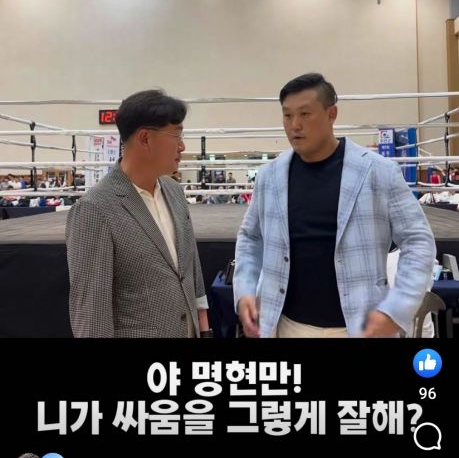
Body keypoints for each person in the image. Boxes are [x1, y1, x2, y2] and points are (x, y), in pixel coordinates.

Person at [234, 73, 436, 338]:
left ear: (332, 114)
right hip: (286, 326)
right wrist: (245, 289)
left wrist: (396, 309)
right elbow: (250, 237)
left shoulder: (378, 172)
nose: (295, 125)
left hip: (360, 328)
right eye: (287, 115)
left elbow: (418, 242)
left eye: (305, 114)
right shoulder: (270, 176)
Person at [66, 89, 212, 338]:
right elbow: (92, 314)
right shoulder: (95, 210)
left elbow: (191, 270)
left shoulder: (174, 191)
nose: (182, 145)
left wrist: (205, 329)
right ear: (145, 138)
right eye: (176, 135)